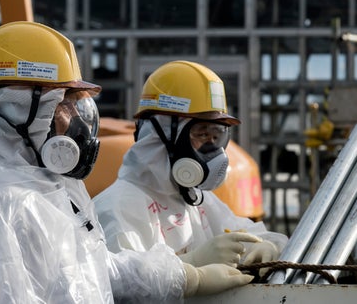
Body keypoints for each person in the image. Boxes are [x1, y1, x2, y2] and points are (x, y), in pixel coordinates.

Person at [0, 21, 254, 303]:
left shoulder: (32, 188)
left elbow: (95, 271)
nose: (74, 121)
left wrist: (184, 276)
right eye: (64, 103)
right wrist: (188, 274)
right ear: (20, 107)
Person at [94, 60, 288, 276]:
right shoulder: (118, 207)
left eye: (217, 136)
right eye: (202, 134)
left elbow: (249, 233)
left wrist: (268, 245)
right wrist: (191, 264)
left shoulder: (195, 199)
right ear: (163, 134)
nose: (212, 149)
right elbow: (125, 286)